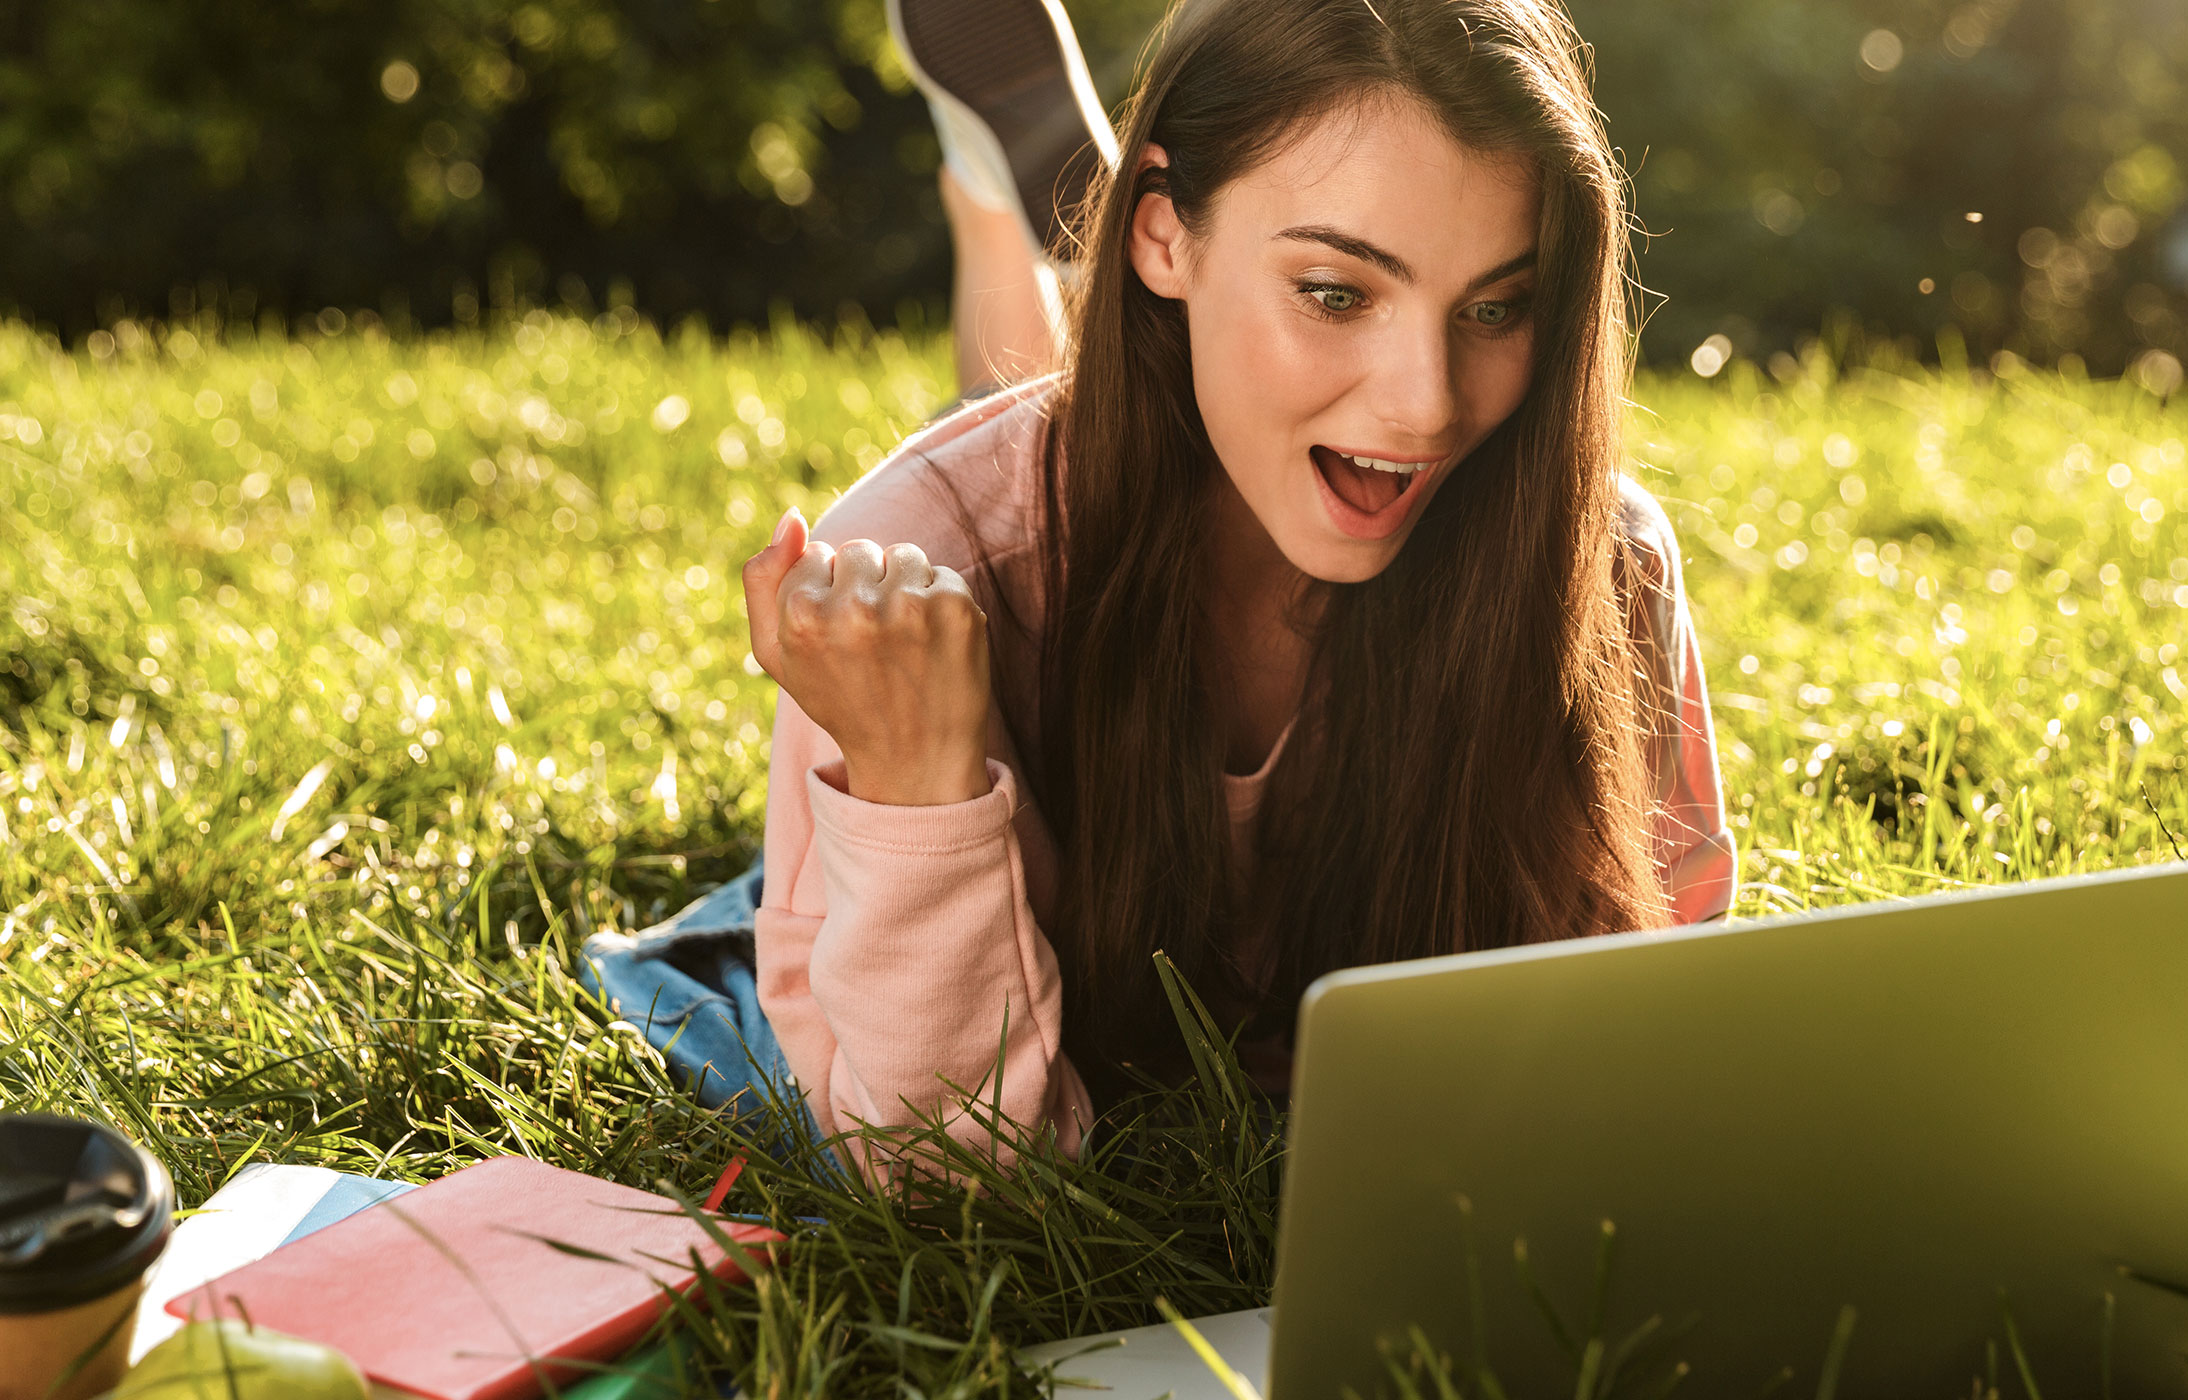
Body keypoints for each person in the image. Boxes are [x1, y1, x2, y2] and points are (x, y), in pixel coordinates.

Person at [583, 0, 1735, 1172]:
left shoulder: (1588, 559)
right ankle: (998, 210)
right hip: (1019, 587)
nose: (1427, 403)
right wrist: (916, 785)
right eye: (1336, 293)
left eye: (1495, 306)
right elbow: (943, 1183)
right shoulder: (925, 568)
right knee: (1009, 482)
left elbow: (1658, 997)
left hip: (1138, 401)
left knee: (1095, 429)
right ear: (1165, 236)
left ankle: (1020, 207)